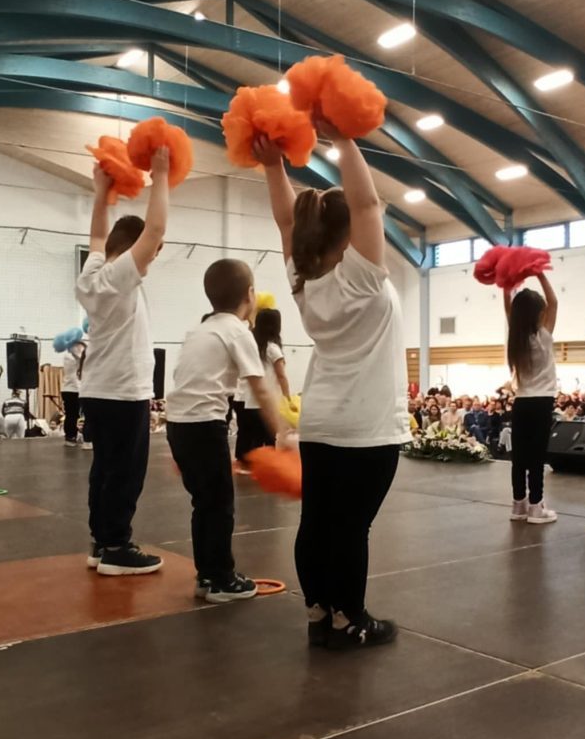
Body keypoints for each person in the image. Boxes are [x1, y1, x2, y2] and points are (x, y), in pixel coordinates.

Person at [255, 113, 409, 650]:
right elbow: (367, 205)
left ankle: (319, 610)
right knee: (351, 528)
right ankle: (351, 619)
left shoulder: (304, 279)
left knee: (317, 522)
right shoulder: (362, 278)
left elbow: (285, 221)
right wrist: (343, 138)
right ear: (349, 236)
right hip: (366, 427)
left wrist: (273, 166)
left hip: (321, 423)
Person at [167, 260, 284, 603]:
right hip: (204, 426)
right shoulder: (237, 331)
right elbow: (261, 389)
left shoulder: (200, 330)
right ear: (250, 294)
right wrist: (284, 435)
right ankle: (220, 579)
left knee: (204, 503)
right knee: (219, 505)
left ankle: (208, 574)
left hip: (179, 425)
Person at [75, 149, 169, 574]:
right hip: (123, 391)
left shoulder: (92, 274)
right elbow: (155, 229)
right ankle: (116, 546)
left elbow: (98, 236)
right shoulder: (119, 276)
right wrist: (161, 175)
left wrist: (101, 193)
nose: (152, 259)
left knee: (105, 468)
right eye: (152, 253)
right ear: (135, 250)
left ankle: (101, 542)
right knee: (125, 472)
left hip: (98, 389)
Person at [502, 271, 560, 525]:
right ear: (538, 313)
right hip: (542, 401)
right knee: (537, 457)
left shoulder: (515, 337)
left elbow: (509, 307)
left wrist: (507, 283)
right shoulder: (543, 336)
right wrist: (540, 274)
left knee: (519, 457)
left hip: (522, 402)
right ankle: (536, 506)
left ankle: (519, 504)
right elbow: (554, 302)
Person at [234, 307, 294, 464]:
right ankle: (267, 465)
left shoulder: (251, 346)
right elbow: (281, 375)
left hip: (244, 398)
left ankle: (244, 464)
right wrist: (288, 397)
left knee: (246, 434)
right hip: (262, 401)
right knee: (267, 436)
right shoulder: (272, 349)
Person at [61, 338, 86, 448]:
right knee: (74, 415)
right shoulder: (73, 355)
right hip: (74, 389)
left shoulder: (67, 355)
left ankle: (71, 436)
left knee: (72, 414)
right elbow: (83, 357)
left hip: (68, 389)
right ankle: (73, 436)